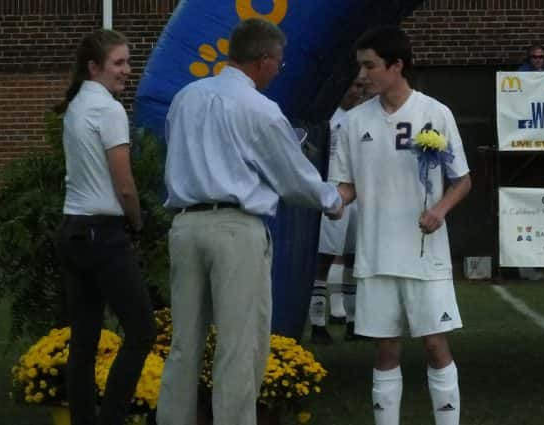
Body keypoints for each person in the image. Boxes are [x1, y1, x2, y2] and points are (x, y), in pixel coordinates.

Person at [157, 18, 346, 425]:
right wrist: (333, 199)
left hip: (186, 225)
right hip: (234, 228)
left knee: (183, 344)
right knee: (239, 344)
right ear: (263, 60)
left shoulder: (185, 97)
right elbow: (293, 177)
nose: (280, 68)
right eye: (278, 61)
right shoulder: (260, 109)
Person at [331, 26, 471, 425]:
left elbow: (463, 179)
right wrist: (329, 202)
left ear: (396, 65)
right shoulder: (351, 124)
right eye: (360, 66)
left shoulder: (435, 113)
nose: (362, 75)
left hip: (425, 257)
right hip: (375, 255)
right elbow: (344, 188)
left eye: (370, 65)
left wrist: (440, 209)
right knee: (385, 351)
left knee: (434, 345)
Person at [55, 29, 156, 425]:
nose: (127, 70)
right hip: (103, 233)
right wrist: (137, 221)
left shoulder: (78, 105)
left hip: (73, 231)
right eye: (119, 63)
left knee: (84, 338)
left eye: (128, 61)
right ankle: (112, 418)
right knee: (142, 329)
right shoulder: (109, 110)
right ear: (93, 67)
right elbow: (124, 183)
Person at [310, 77, 365, 344]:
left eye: (358, 86)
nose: (355, 91)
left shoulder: (366, 117)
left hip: (361, 196)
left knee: (355, 259)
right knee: (325, 257)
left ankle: (354, 323)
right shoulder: (328, 119)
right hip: (334, 192)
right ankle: (318, 323)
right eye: (351, 85)